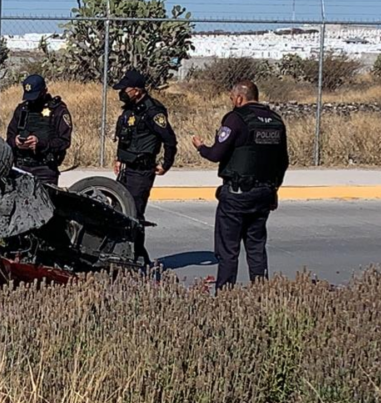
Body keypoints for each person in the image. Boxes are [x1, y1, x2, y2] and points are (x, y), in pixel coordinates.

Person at [192, 80, 289, 292]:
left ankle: (225, 296)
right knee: (256, 247)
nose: (232, 102)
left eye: (231, 98)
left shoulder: (236, 119)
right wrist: (274, 189)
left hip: (237, 194)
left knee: (228, 250)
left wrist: (201, 147)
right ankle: (261, 293)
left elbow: (216, 154)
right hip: (264, 192)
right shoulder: (275, 120)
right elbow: (283, 162)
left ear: (239, 98)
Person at [113, 68, 177, 264]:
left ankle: (139, 259)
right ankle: (122, 255)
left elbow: (170, 140)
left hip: (141, 171)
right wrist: (118, 158)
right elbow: (124, 137)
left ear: (138, 90)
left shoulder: (153, 111)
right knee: (118, 211)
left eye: (126, 89)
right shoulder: (130, 109)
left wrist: (166, 164)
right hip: (126, 169)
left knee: (134, 215)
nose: (123, 92)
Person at [6, 74, 72, 185]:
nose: (32, 102)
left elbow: (64, 141)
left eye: (35, 97)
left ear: (44, 91)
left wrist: (40, 143)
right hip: (21, 168)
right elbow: (10, 136)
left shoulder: (58, 111)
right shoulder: (22, 110)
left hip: (45, 170)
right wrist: (16, 141)